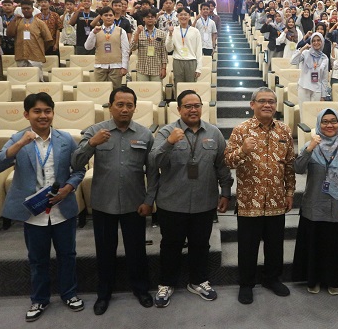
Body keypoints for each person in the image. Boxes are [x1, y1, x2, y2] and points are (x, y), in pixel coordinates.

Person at [0, 92, 85, 322]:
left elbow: (79, 170)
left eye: (47, 111)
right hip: (34, 213)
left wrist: (69, 188)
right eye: (37, 111)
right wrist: (21, 143)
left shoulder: (65, 139)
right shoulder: (17, 139)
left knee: (68, 255)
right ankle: (39, 299)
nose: (43, 116)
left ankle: (69, 294)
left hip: (62, 209)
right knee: (37, 258)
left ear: (53, 113)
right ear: (26, 114)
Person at [71, 87, 157, 315]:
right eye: (120, 104)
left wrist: (149, 200)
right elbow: (76, 163)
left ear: (135, 108)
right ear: (110, 106)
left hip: (134, 203)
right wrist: (92, 144)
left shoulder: (145, 134)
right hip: (103, 203)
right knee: (105, 252)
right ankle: (104, 293)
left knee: (136, 251)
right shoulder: (95, 131)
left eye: (129, 105)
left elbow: (153, 171)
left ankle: (141, 289)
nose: (125, 109)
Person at [151, 90, 233, 306]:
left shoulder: (214, 133)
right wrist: (169, 142)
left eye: (196, 105)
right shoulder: (166, 132)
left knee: (200, 244)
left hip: (204, 201)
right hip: (172, 202)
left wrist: (225, 192)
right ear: (178, 109)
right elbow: (153, 162)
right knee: (170, 244)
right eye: (187, 106)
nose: (193, 109)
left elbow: (222, 166)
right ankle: (166, 283)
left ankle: (198, 281)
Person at [224, 87, 296, 305]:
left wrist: (290, 191)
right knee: (248, 246)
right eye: (262, 101)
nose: (268, 105)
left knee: (275, 244)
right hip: (249, 201)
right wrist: (243, 150)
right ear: (252, 104)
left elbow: (290, 165)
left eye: (272, 101)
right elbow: (228, 161)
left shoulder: (284, 130)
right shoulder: (241, 130)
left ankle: (272, 279)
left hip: (276, 198)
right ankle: (246, 284)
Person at [292, 108, 338, 295]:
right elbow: (297, 168)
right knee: (315, 244)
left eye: (333, 121)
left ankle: (333, 279)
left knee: (335, 244)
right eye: (325, 121)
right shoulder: (311, 145)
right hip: (315, 205)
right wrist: (310, 147)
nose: (329, 125)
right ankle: (313, 279)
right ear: (319, 124)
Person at [6, 0, 52, 81]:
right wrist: (13, 20)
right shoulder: (17, 21)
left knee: (37, 80)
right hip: (21, 55)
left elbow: (48, 40)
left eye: (28, 8)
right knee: (22, 80)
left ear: (32, 9)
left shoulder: (40, 23)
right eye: (24, 9)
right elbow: (9, 34)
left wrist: (41, 49)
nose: (26, 10)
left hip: (36, 56)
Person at [83, 6, 130, 88]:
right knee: (101, 91)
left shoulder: (121, 31)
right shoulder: (96, 30)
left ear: (114, 17)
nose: (108, 17)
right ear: (101, 17)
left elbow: (125, 50)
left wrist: (124, 67)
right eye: (106, 15)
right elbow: (88, 47)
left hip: (116, 66)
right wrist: (93, 33)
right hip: (100, 66)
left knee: (115, 91)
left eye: (110, 15)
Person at [291, 32, 330, 106]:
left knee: (314, 114)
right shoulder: (305, 53)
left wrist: (323, 96)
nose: (316, 43)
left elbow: (324, 79)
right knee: (304, 113)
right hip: (304, 87)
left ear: (322, 42)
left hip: (317, 89)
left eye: (319, 40)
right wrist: (303, 48)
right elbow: (293, 61)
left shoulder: (324, 58)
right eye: (314, 41)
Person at [166, 6, 202, 86]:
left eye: (185, 14)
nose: (183, 17)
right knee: (178, 86)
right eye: (181, 14)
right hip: (177, 61)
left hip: (191, 61)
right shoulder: (173, 30)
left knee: (190, 86)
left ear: (189, 16)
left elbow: (199, 50)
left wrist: (199, 68)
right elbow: (169, 49)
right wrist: (170, 35)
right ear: (177, 16)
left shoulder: (195, 31)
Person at [130, 9, 168, 82]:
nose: (150, 18)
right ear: (144, 19)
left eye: (152, 17)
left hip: (157, 69)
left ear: (155, 19)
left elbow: (164, 53)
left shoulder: (162, 33)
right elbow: (132, 48)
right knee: (142, 91)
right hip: (142, 69)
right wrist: (137, 34)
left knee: (156, 91)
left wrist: (164, 68)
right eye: (147, 17)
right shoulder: (138, 32)